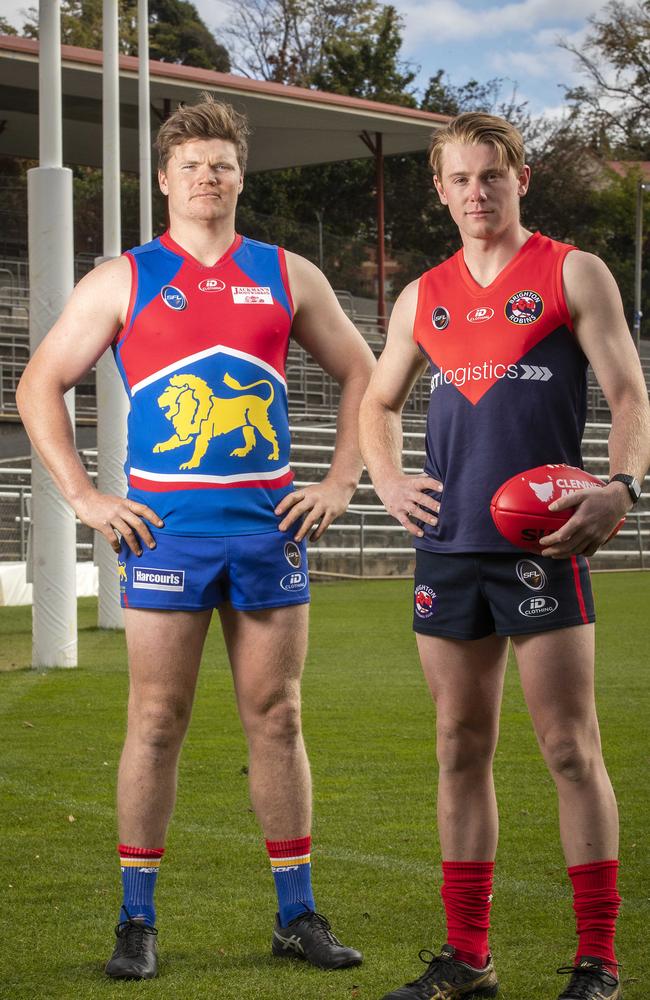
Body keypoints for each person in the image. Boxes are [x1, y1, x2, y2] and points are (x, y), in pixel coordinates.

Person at [17, 94, 375, 981]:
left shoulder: (287, 273)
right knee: (155, 719)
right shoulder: (124, 277)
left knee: (279, 716)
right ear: (165, 179)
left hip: (266, 531)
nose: (208, 178)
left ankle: (297, 913)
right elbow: (39, 386)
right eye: (192, 166)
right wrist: (89, 499)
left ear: (239, 177)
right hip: (165, 538)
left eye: (222, 165)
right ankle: (135, 921)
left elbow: (365, 373)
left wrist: (337, 482)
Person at [359, 112, 650, 1000]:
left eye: (492, 175)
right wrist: (386, 478)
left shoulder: (572, 272)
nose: (476, 193)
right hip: (447, 551)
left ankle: (597, 961)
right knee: (458, 746)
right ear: (439, 189)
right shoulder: (423, 295)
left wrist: (624, 487)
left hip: (545, 542)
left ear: (520, 177)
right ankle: (468, 961)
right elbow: (376, 405)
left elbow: (630, 393)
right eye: (460, 179)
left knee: (569, 749)